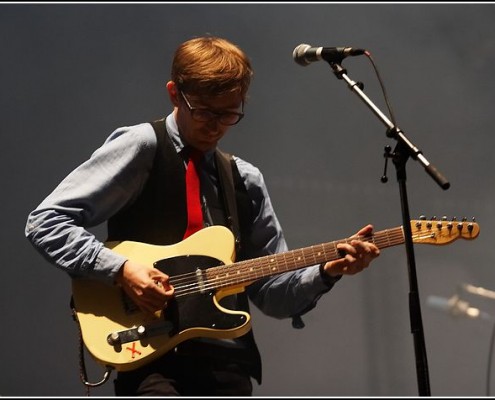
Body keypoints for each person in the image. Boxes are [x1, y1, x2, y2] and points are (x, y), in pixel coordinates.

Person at [25, 35, 380, 396]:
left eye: (229, 113)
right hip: (152, 359)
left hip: (229, 366)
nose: (216, 126)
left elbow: (273, 294)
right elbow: (46, 222)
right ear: (174, 94)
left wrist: (327, 271)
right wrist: (121, 270)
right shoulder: (143, 146)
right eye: (205, 112)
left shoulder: (246, 180)